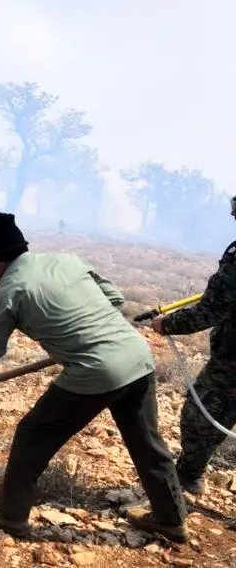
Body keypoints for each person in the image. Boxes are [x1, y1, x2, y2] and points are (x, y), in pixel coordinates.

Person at [0, 212, 189, 542]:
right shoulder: (67, 261)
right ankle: (171, 519)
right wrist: (84, 330)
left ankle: (11, 516)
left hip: (95, 369)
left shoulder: (8, 292)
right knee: (147, 442)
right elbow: (115, 298)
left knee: (32, 435)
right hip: (136, 356)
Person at [148, 195, 236, 497]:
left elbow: (208, 312)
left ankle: (188, 475)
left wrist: (166, 324)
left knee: (199, 417)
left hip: (231, 366)